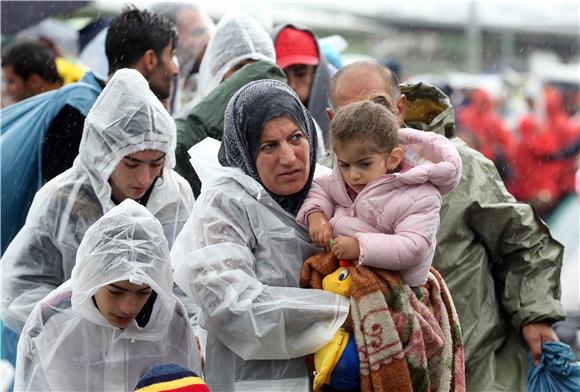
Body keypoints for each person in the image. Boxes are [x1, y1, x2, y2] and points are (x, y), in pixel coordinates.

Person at [328, 61, 565, 391]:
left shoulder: (455, 168)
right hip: (383, 374)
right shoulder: (330, 182)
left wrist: (535, 314)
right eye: (351, 112)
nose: (368, 121)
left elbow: (521, 240)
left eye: (377, 105)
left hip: (476, 368)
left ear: (400, 107)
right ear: (331, 121)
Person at [170, 79, 349, 391]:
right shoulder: (225, 205)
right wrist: (339, 311)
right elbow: (233, 307)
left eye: (296, 138)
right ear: (245, 151)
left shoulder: (332, 189)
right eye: (269, 146)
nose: (289, 158)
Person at [1, 68, 194, 337]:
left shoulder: (176, 197)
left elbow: (187, 284)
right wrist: (76, 327)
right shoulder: (62, 200)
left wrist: (186, 334)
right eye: (131, 162)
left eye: (156, 163)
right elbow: (20, 288)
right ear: (103, 151)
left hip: (152, 351)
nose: (144, 177)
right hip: (76, 353)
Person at [1, 7, 180, 255]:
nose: (175, 69)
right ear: (150, 59)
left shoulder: (90, 104)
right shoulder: (83, 115)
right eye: (171, 55)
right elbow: (67, 213)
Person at [14, 200, 202, 391]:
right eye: (116, 291)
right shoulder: (51, 321)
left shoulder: (170, 317)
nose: (128, 307)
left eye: (143, 292)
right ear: (92, 275)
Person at [297, 94, 462, 287]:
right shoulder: (341, 179)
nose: (353, 175)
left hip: (397, 291)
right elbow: (320, 187)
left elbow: (414, 247)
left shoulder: (420, 194)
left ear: (393, 159)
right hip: (346, 278)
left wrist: (360, 246)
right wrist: (316, 216)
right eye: (344, 165)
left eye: (364, 164)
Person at [175, 11, 280, 196]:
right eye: (240, 69)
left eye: (259, 67)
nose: (251, 78)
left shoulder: (292, 125)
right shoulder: (193, 130)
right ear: (217, 70)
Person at [272, 24, 334, 143]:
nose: (291, 85)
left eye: (300, 73)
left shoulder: (339, 123)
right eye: (281, 75)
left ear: (317, 73)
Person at [151, 1, 215, 114]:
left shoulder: (199, 85)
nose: (207, 42)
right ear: (169, 37)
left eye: (207, 31)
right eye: (198, 33)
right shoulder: (152, 92)